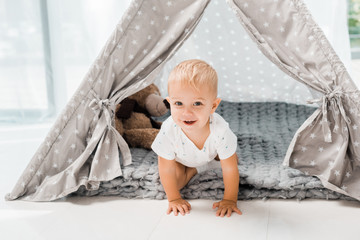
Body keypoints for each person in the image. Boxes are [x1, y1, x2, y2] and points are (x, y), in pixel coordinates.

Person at [151, 59, 242, 217]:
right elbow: (165, 166)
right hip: (180, 159)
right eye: (178, 103)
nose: (187, 113)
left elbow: (229, 169)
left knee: (232, 161)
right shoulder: (169, 130)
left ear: (213, 106)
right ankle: (195, 169)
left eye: (197, 104)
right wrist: (174, 199)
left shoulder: (220, 130)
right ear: (169, 103)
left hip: (211, 152)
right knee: (174, 181)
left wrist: (229, 200)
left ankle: (213, 160)